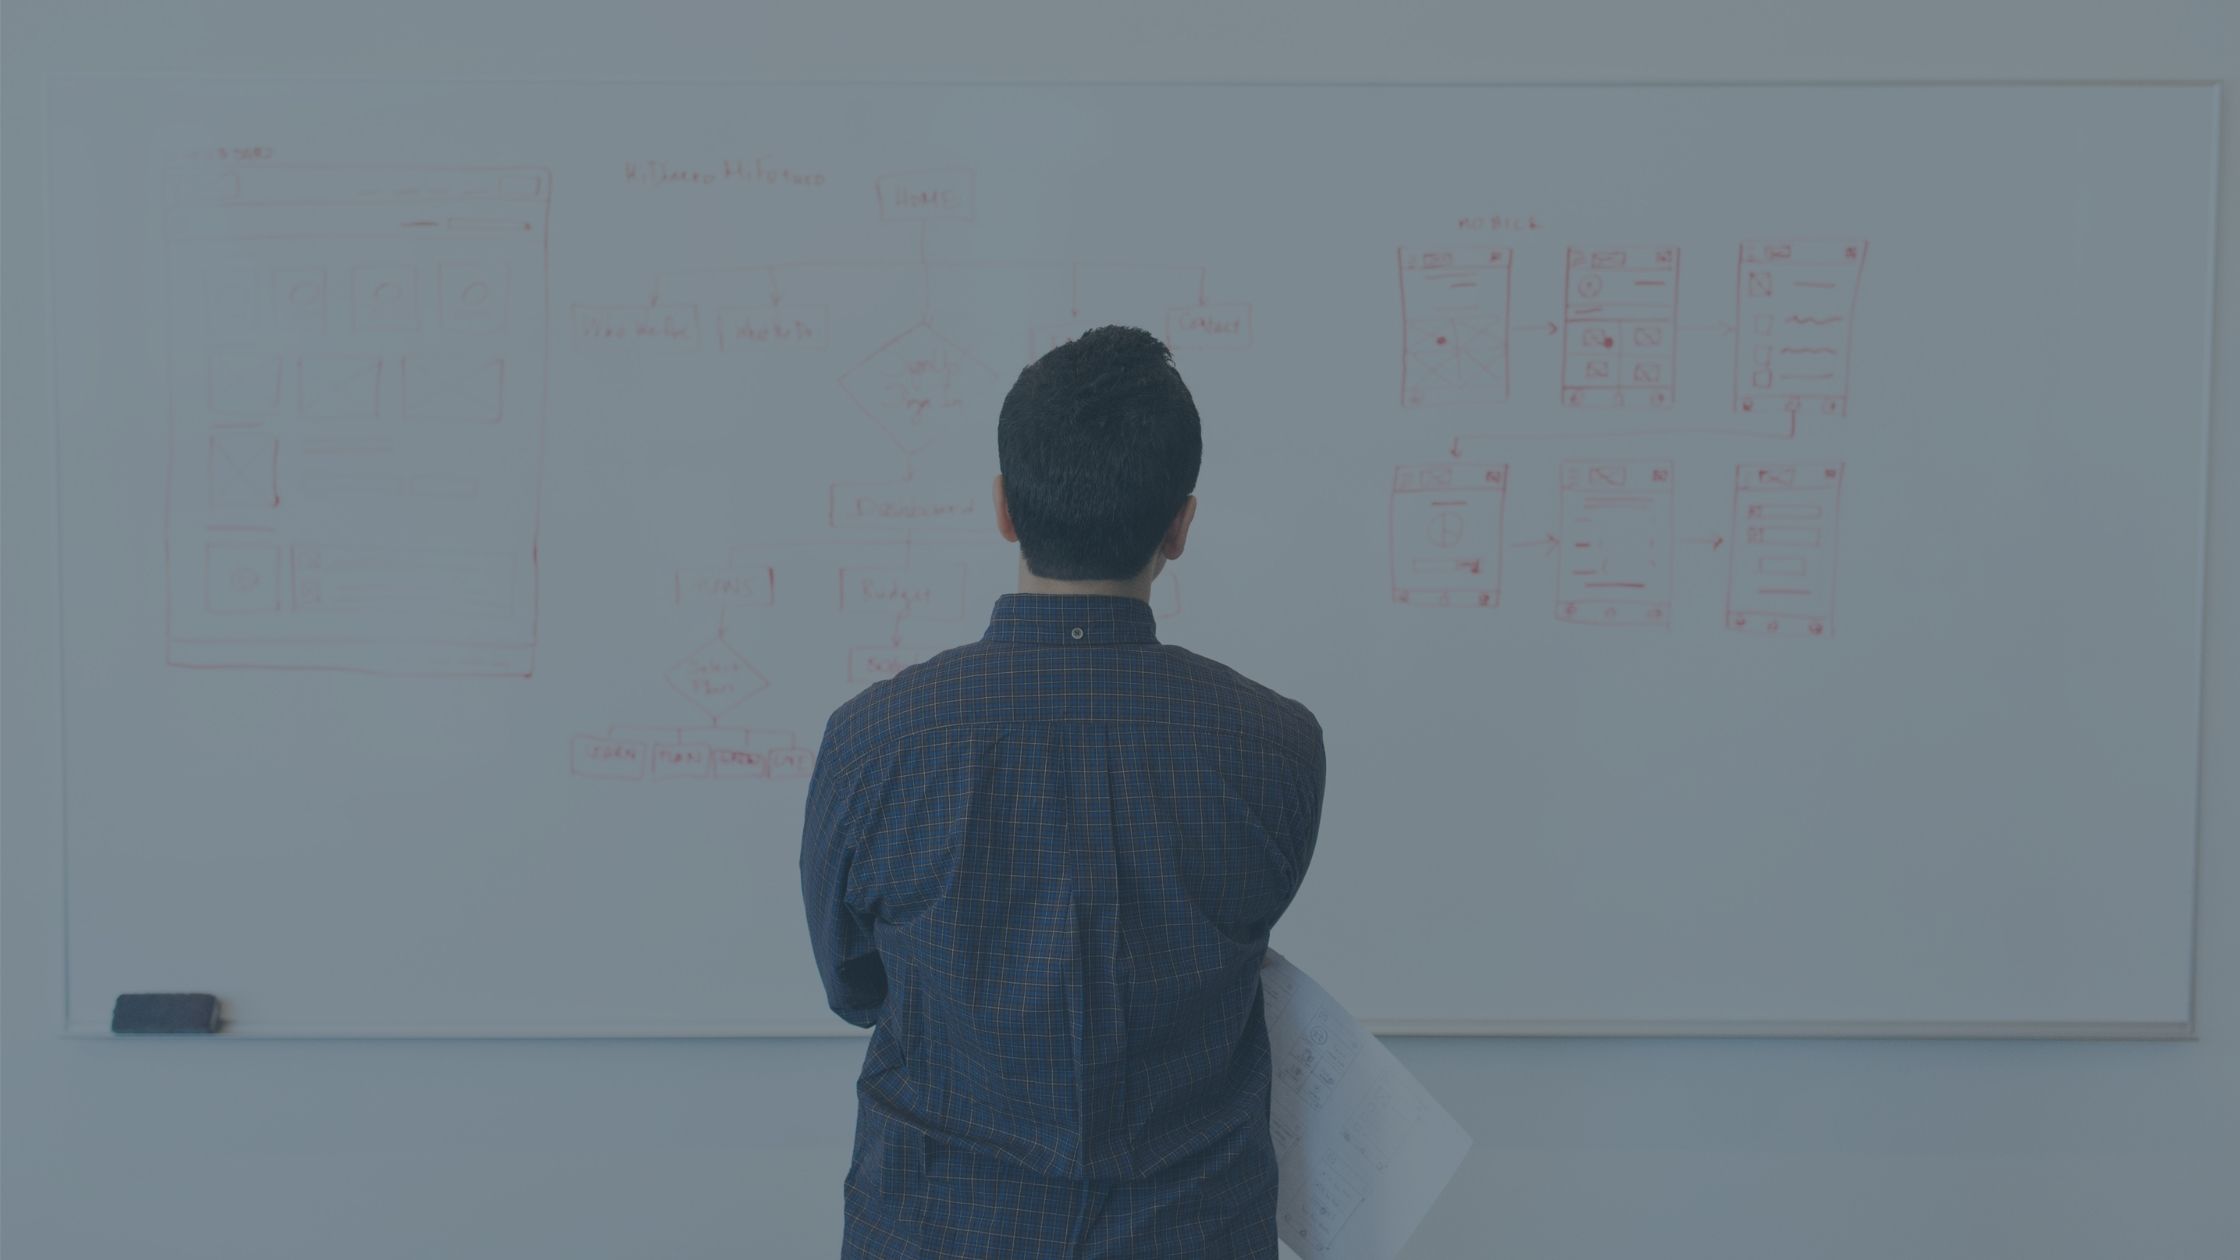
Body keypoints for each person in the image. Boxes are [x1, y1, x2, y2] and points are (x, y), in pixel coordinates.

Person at [800, 325, 1326, 1258]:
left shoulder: (876, 741)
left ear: (1003, 508)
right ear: (1180, 526)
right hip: (1188, 1233)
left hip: (937, 1229)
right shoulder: (1275, 747)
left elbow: (854, 986)